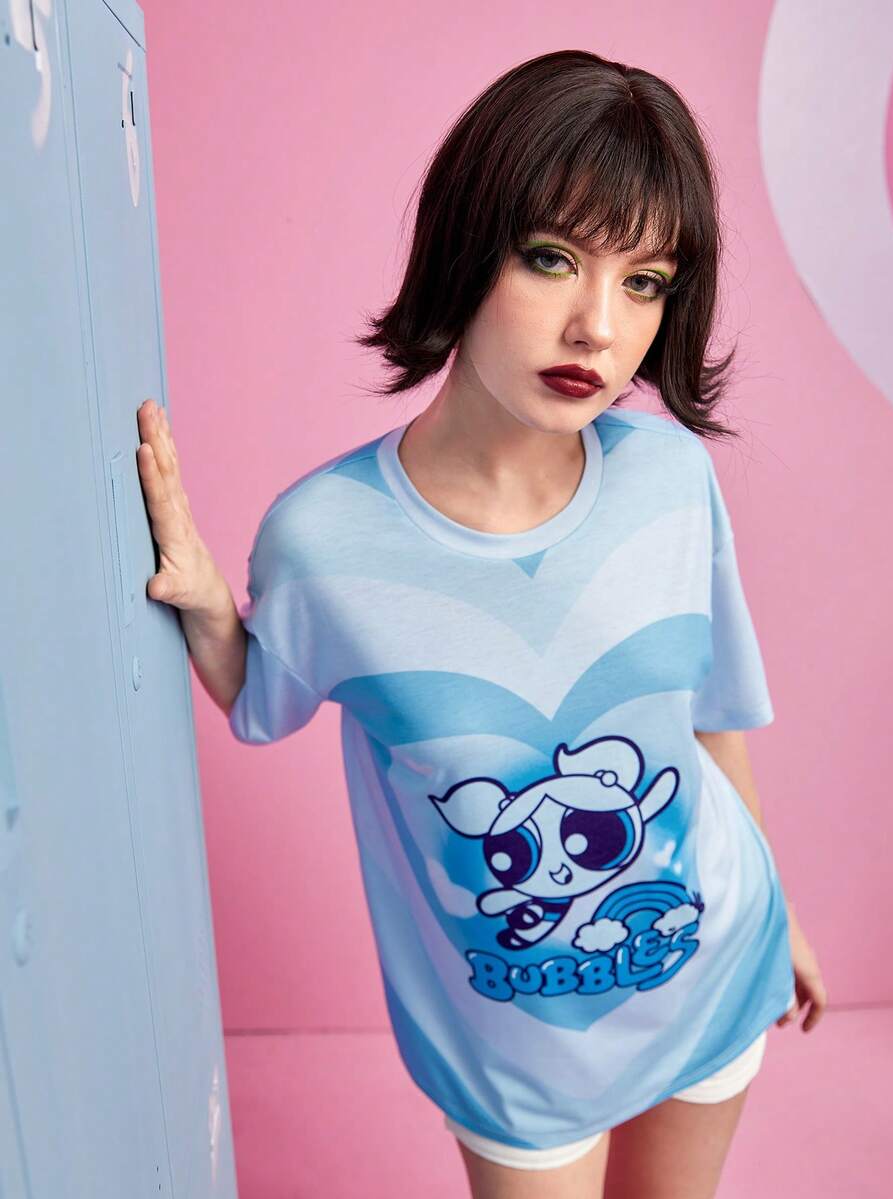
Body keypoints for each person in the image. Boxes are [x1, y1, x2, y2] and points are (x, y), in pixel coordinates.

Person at [136, 49, 827, 1199]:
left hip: (713, 960)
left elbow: (711, 710)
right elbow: (263, 698)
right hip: (512, 1052)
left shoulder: (670, 479)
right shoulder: (325, 539)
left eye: (645, 281)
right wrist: (213, 602)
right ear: (468, 246)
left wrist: (781, 909)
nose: (597, 326)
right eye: (552, 258)